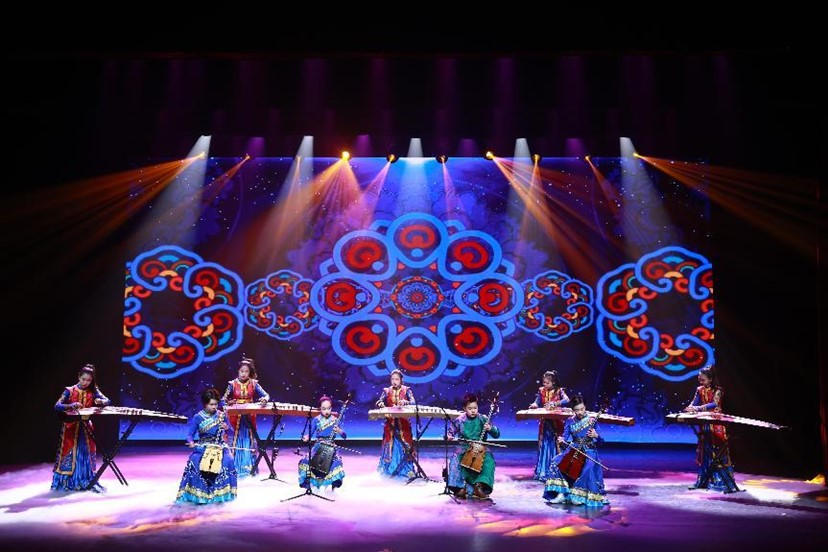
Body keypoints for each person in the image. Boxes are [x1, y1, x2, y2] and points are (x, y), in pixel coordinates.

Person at [52, 364, 111, 492]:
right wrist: (71, 405)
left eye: (88, 380)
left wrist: (101, 402)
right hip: (71, 427)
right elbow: (57, 405)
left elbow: (107, 400)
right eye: (83, 379)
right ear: (79, 377)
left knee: (84, 454)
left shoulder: (93, 390)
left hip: (85, 427)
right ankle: (68, 482)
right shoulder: (70, 390)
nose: (85, 382)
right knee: (70, 453)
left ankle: (84, 480)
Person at [543, 395, 608, 507]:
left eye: (582, 409)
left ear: (585, 407)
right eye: (577, 410)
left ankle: (578, 495)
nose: (580, 412)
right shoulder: (570, 421)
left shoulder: (592, 420)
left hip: (589, 450)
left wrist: (596, 435)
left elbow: (602, 441)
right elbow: (565, 437)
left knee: (588, 467)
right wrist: (561, 440)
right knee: (556, 462)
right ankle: (562, 493)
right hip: (573, 449)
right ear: (573, 410)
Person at [175, 388, 238, 504]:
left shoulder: (221, 415)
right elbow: (189, 435)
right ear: (205, 404)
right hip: (203, 446)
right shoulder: (198, 417)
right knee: (195, 460)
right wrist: (191, 442)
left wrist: (227, 428)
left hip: (219, 446)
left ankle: (220, 495)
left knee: (228, 459)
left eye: (216, 404)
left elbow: (232, 433)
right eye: (211, 404)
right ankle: (200, 495)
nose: (214, 407)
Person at [684, 365, 737, 492]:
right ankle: (703, 482)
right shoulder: (699, 389)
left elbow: (714, 404)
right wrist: (690, 407)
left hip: (716, 424)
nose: (700, 381)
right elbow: (694, 402)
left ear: (711, 379)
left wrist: (698, 408)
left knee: (718, 453)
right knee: (705, 453)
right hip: (705, 424)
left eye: (703, 379)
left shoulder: (718, 390)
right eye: (699, 379)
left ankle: (724, 483)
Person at [221, 357, 270, 477]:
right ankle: (234, 467)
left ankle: (250, 468)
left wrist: (264, 400)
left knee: (250, 438)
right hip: (236, 416)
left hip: (249, 415)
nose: (243, 374)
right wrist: (229, 402)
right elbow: (222, 400)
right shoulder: (232, 384)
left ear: (249, 372)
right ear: (238, 371)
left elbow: (266, 395)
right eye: (241, 371)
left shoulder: (253, 383)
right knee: (235, 439)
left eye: (246, 371)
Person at [447, 393, 501, 499]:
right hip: (464, 447)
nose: (473, 411)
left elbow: (497, 434)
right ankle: (460, 487)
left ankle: (480, 486)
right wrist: (449, 436)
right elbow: (450, 432)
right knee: (455, 459)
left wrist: (490, 429)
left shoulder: (483, 418)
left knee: (489, 460)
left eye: (475, 408)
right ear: (464, 408)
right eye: (470, 408)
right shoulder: (460, 419)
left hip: (480, 447)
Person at [298, 396, 347, 490]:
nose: (326, 411)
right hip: (319, 445)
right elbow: (310, 433)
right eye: (324, 409)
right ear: (320, 408)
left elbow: (344, 436)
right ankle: (307, 481)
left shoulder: (335, 420)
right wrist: (306, 437)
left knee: (336, 462)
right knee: (307, 461)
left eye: (328, 408)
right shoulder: (316, 420)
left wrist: (339, 430)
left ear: (331, 408)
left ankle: (334, 482)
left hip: (331, 446)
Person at [528, 370, 570, 480]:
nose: (545, 385)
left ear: (553, 382)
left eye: (547, 383)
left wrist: (555, 403)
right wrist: (534, 405)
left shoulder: (559, 391)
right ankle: (543, 471)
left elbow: (567, 400)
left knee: (556, 443)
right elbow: (537, 401)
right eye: (544, 383)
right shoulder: (541, 390)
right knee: (544, 444)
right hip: (545, 423)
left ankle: (557, 471)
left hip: (556, 422)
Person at [375, 369, 417, 479]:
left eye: (397, 379)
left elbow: (413, 402)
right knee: (390, 445)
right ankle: (390, 470)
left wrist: (405, 402)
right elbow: (379, 401)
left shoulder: (407, 390)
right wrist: (381, 404)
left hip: (403, 423)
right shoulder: (386, 391)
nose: (394, 381)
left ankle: (407, 470)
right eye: (392, 379)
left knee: (405, 445)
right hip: (391, 423)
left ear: (401, 380)